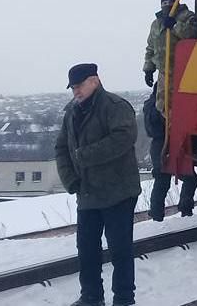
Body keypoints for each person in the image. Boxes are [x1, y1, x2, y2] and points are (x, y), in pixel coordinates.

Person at [55, 63, 141, 306]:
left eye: (79, 86)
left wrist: (84, 156)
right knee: (87, 250)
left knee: (120, 250)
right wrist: (70, 179)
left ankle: (124, 299)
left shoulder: (116, 107)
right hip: (88, 193)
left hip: (118, 192)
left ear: (94, 81)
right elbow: (61, 148)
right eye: (72, 88)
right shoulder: (71, 113)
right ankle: (91, 298)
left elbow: (123, 138)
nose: (76, 92)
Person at [142, 84, 197, 221]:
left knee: (162, 179)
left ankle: (156, 214)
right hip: (168, 142)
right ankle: (185, 210)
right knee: (188, 178)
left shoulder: (149, 105)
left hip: (159, 144)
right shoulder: (160, 106)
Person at [142, 0, 197, 113]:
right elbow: (151, 48)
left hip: (185, 71)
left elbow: (193, 35)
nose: (168, 5)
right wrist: (148, 70)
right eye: (164, 3)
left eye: (171, 2)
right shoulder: (156, 24)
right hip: (164, 72)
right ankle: (170, 128)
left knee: (184, 104)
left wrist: (175, 25)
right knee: (162, 105)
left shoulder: (188, 17)